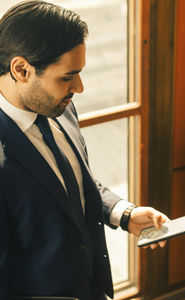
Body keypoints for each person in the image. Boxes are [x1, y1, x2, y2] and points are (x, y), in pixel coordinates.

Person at [0, 1, 168, 299]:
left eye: (78, 73)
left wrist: (124, 213)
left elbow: (72, 181)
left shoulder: (59, 107)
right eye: (67, 77)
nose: (79, 87)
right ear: (21, 69)